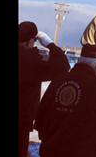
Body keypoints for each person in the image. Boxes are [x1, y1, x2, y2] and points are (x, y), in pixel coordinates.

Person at [34, 52, 96, 157]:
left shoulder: (58, 80)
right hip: (83, 152)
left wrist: (47, 139)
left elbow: (41, 115)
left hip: (50, 150)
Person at [19, 21, 70, 157]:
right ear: (30, 40)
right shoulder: (32, 60)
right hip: (22, 117)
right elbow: (63, 65)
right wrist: (50, 44)